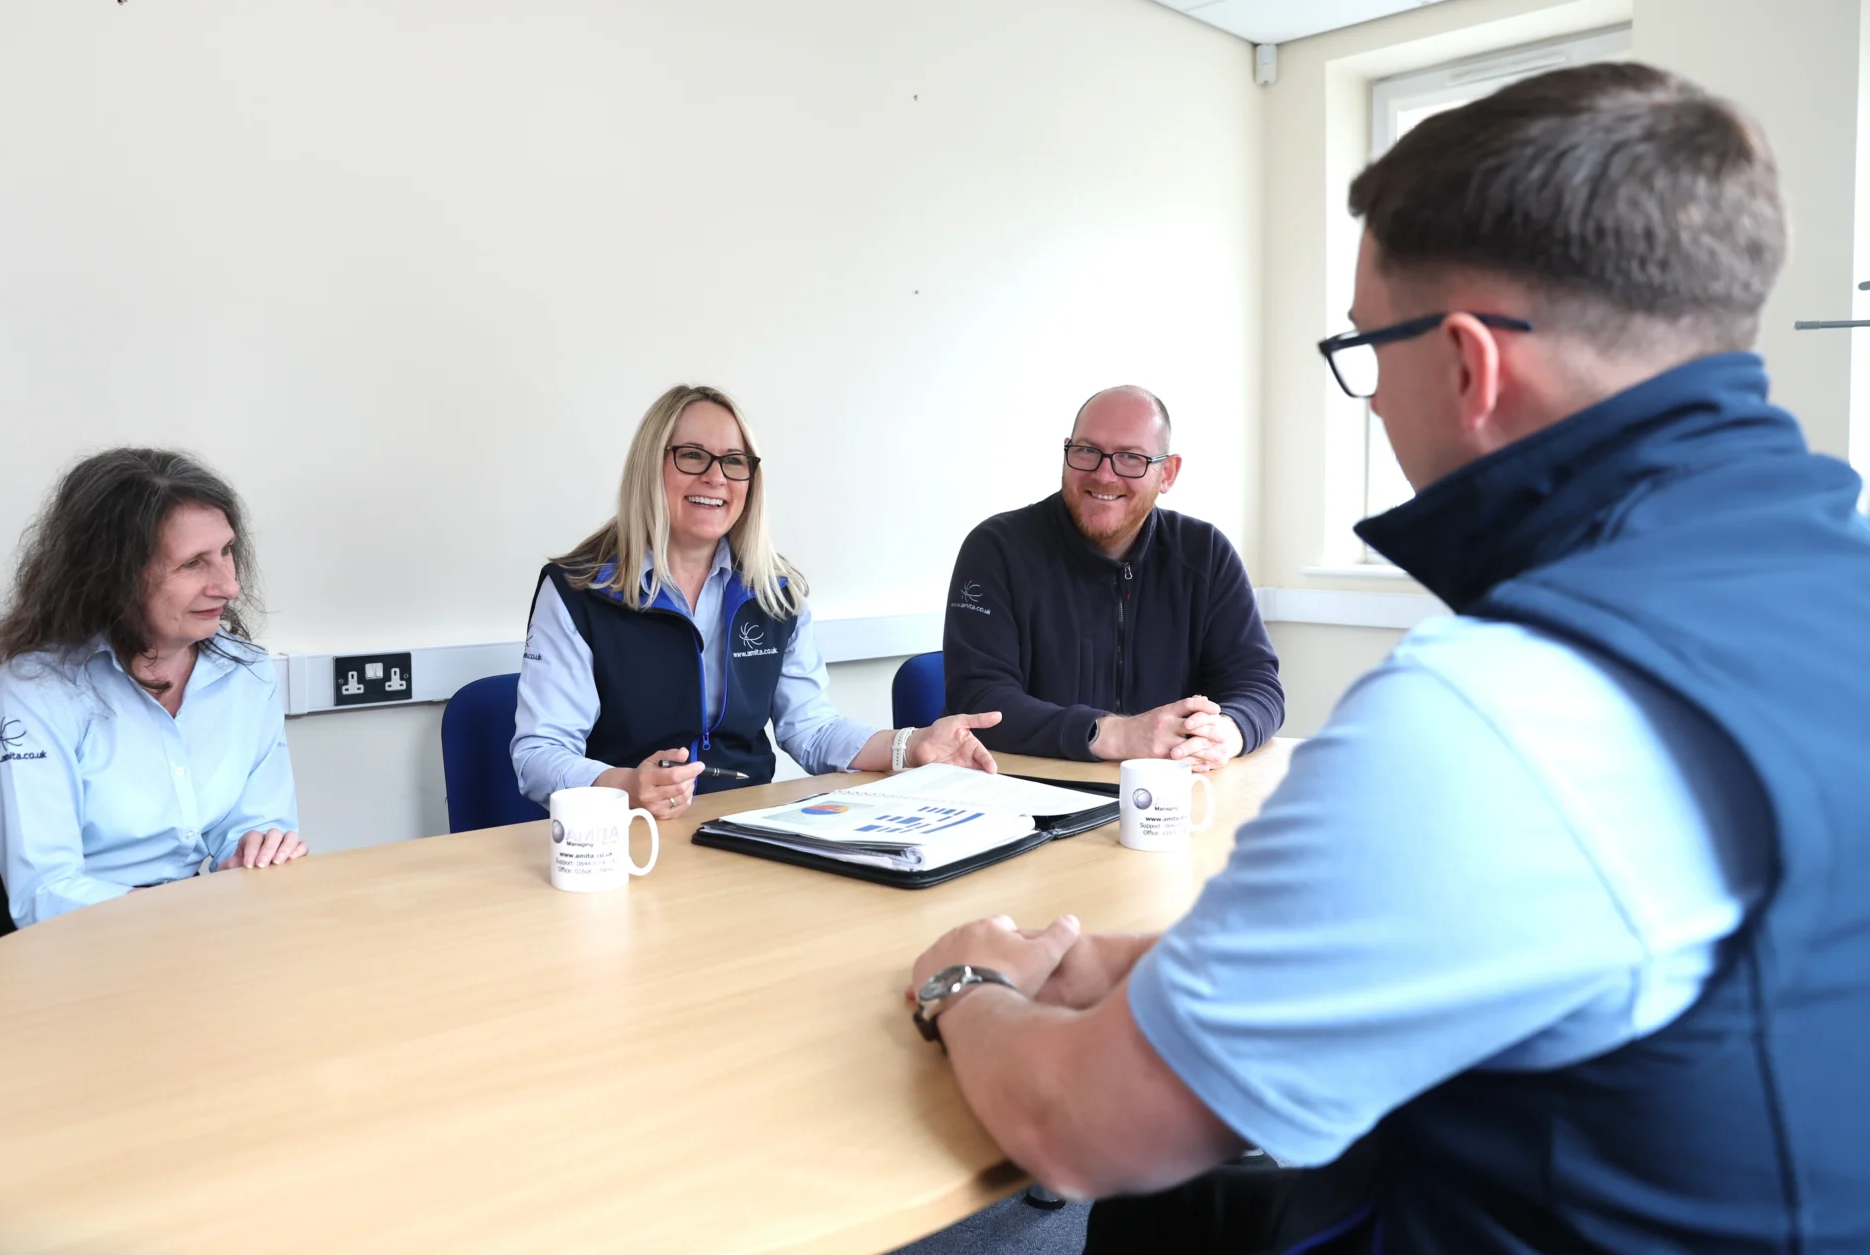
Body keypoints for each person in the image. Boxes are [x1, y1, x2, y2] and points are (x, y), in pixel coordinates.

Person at [903, 63, 1870, 1254]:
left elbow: (1079, 1127)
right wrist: (1109, 958)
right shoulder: (1821, 595)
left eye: (1363, 351)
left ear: (1465, 364)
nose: (1366, 401)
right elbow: (1488, 920)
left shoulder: (1497, 716)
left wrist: (965, 987)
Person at [513, 384, 1000, 819]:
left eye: (734, 461)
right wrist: (625, 788)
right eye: (692, 456)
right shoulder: (579, 590)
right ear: (650, 465)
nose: (715, 477)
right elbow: (540, 752)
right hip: (620, 834)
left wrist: (910, 745)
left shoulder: (775, 591)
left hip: (742, 829)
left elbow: (810, 729)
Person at [0, 449, 305, 961]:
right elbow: (46, 890)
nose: (228, 584)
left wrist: (256, 849)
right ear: (115, 574)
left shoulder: (245, 671)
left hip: (174, 926)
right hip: (35, 944)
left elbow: (254, 825)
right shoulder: (31, 693)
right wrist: (188, 928)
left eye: (227, 551)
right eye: (192, 563)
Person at [941, 386, 1282, 769]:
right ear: (1067, 452)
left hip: (1172, 799)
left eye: (1130, 458)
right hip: (1029, 794)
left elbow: (1257, 685)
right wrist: (1117, 735)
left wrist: (1229, 730)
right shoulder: (996, 549)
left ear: (1167, 472)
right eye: (1087, 451)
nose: (1104, 475)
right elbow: (980, 700)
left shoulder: (1205, 553)